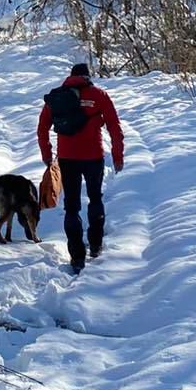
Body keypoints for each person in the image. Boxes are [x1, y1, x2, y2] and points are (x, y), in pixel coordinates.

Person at [37, 61, 124, 274]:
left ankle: (76, 256)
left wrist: (47, 156)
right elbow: (114, 126)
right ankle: (95, 245)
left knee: (72, 206)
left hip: (67, 158)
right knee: (95, 198)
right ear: (87, 76)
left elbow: (42, 129)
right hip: (93, 156)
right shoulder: (99, 95)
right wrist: (117, 155)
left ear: (71, 76)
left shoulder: (56, 97)